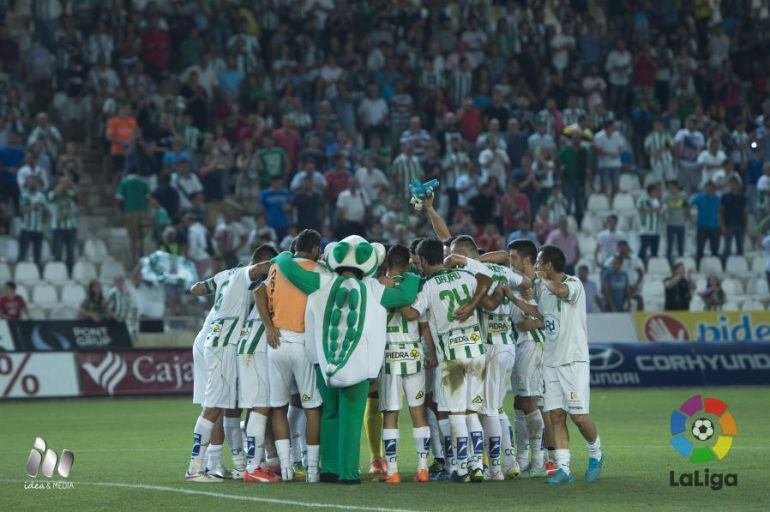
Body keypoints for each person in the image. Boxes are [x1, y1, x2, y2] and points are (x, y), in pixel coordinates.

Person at [271, 235, 420, 484]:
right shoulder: (374, 289)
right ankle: (348, 473)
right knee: (351, 418)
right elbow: (406, 294)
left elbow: (288, 267)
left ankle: (329, 468)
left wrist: (284, 254)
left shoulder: (321, 282)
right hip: (359, 365)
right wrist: (413, 272)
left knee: (330, 414)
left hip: (323, 363)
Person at [506, 245, 604, 484]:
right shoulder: (541, 287)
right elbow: (539, 313)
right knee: (556, 415)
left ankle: (596, 453)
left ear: (549, 265)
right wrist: (512, 299)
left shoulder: (573, 284)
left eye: (539, 262)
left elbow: (559, 291)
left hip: (573, 360)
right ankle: (564, 468)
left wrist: (539, 279)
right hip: (550, 362)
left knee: (579, 417)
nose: (537, 266)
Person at [402, 239, 494, 483]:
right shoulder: (464, 274)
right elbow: (487, 279)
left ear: (421, 260)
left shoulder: (428, 287)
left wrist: (397, 294)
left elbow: (412, 313)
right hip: (477, 352)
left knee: (455, 413)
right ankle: (477, 466)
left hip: (452, 357)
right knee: (472, 412)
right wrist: (472, 304)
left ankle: (462, 468)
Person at [185, 251, 275, 482]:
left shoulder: (222, 276)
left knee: (218, 403)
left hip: (209, 338)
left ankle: (212, 464)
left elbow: (195, 288)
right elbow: (258, 270)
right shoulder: (246, 273)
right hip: (224, 342)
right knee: (214, 406)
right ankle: (195, 468)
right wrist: (283, 261)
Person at [255, 229, 326, 482]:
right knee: (312, 408)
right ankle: (313, 470)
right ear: (316, 249)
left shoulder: (276, 268)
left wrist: (268, 326)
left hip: (276, 342)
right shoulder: (320, 271)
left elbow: (258, 292)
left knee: (278, 408)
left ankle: (285, 469)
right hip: (303, 344)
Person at [377, 245, 437, 483]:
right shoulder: (416, 285)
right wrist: (432, 353)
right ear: (409, 262)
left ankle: (392, 472)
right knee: (417, 411)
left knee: (390, 413)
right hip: (413, 354)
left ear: (388, 262)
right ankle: (423, 469)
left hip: (389, 356)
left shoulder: (377, 285)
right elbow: (424, 326)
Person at [48, 174, 78, 276]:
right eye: (62, 182)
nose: (65, 184)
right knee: (58, 252)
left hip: (71, 227)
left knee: (70, 254)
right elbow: (55, 195)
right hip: (58, 228)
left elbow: (79, 195)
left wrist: (71, 184)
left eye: (66, 182)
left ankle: (70, 274)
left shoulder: (70, 193)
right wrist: (63, 184)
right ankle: (58, 274)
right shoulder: (51, 194)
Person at [18, 177, 48, 270]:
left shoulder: (41, 196)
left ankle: (38, 273)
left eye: (34, 183)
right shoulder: (24, 195)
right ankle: (19, 271)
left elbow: (46, 211)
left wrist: (45, 214)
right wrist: (34, 205)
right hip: (26, 229)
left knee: (38, 255)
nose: (33, 185)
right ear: (28, 184)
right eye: (31, 183)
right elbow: (23, 210)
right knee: (23, 253)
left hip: (39, 229)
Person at [690, 181, 721, 270]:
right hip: (702, 227)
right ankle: (698, 268)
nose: (708, 190)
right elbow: (689, 204)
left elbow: (721, 211)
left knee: (715, 250)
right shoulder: (700, 197)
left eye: (710, 188)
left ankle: (715, 268)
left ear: (714, 189)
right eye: (707, 188)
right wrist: (690, 219)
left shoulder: (717, 199)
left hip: (714, 227)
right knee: (700, 249)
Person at [720, 177, 747, 262]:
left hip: (740, 224)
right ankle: (724, 265)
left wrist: (746, 225)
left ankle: (740, 264)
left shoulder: (742, 197)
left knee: (740, 248)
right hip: (728, 225)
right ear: (729, 185)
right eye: (732, 184)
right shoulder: (725, 196)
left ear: (738, 185)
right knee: (727, 248)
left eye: (735, 184)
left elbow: (745, 212)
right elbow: (721, 212)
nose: (733, 186)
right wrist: (722, 225)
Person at [663, 181, 689, 262]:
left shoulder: (683, 196)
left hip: (681, 224)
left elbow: (686, 207)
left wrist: (686, 218)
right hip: (670, 224)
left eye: (672, 187)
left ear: (676, 187)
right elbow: (663, 209)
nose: (670, 189)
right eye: (669, 187)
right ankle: (668, 262)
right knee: (669, 245)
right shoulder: (666, 197)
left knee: (680, 245)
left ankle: (681, 261)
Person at [636, 183, 662, 263]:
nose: (657, 193)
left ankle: (653, 266)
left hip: (656, 230)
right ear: (651, 191)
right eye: (655, 191)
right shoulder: (642, 199)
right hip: (645, 230)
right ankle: (641, 266)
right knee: (643, 250)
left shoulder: (656, 200)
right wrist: (654, 210)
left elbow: (658, 212)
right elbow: (641, 211)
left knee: (654, 252)